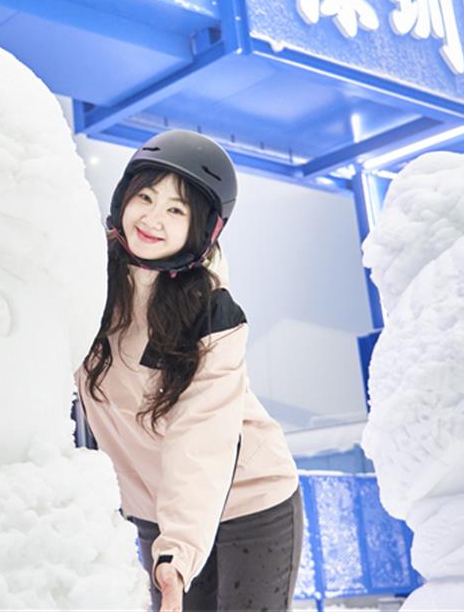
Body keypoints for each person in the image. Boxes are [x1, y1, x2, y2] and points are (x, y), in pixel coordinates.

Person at [76, 129, 303, 612]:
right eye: (145, 197)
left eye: (176, 210)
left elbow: (201, 436)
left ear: (201, 229)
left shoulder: (212, 315)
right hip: (156, 508)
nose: (153, 218)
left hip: (251, 500)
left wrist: (177, 551)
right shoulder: (87, 280)